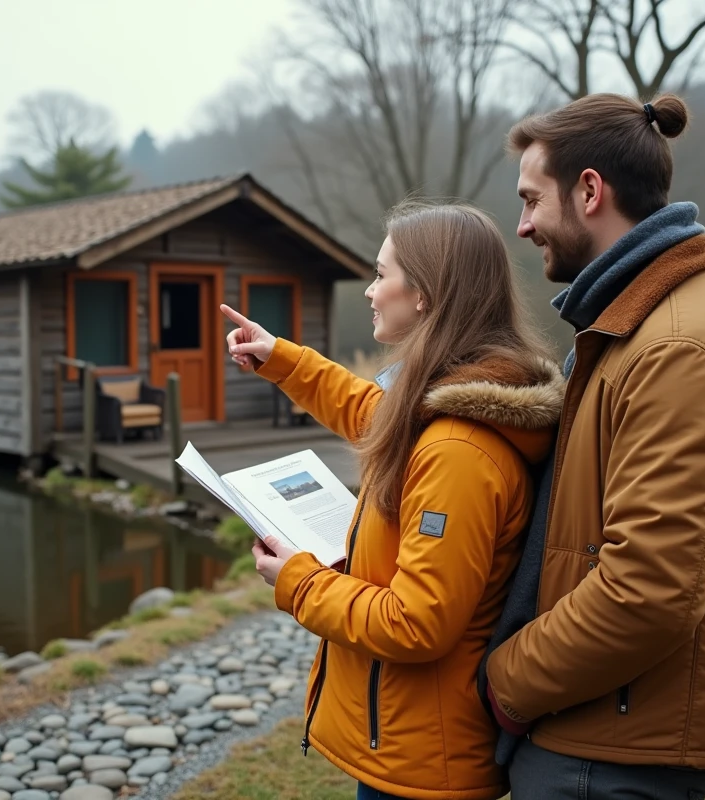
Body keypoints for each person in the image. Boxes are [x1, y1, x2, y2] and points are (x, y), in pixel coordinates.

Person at [477, 92, 705, 799]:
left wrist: (507, 680)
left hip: (610, 747)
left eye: (531, 199)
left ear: (589, 190)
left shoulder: (680, 348)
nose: (522, 225)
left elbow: (647, 591)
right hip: (603, 726)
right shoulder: (640, 325)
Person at [220, 200, 565, 800]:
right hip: (412, 749)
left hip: (424, 767)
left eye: (382, 274)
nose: (370, 291)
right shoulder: (458, 397)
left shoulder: (458, 448)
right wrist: (283, 360)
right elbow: (373, 412)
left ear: (425, 294)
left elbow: (416, 623)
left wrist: (297, 581)